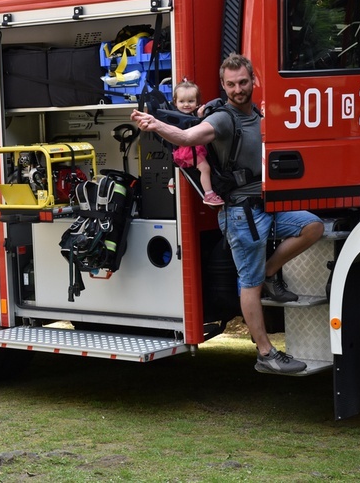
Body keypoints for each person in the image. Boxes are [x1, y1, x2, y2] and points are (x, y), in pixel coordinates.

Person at [131, 53, 324, 374]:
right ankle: (265, 353)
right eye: (231, 84)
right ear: (223, 85)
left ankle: (269, 271)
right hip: (240, 215)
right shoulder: (223, 119)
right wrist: (155, 125)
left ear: (253, 81)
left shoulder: (257, 114)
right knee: (247, 283)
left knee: (312, 227)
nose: (238, 89)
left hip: (267, 206)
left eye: (243, 82)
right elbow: (187, 137)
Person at [169, 80, 224, 206]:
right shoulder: (178, 118)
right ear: (175, 102)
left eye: (191, 101)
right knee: (205, 168)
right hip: (187, 151)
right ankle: (209, 194)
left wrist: (200, 116)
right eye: (182, 101)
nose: (186, 105)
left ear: (197, 102)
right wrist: (199, 118)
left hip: (193, 149)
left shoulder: (191, 114)